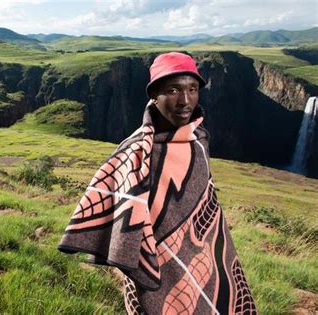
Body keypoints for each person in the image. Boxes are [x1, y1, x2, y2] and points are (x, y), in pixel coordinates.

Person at [58, 52, 257, 314]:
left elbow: (204, 202)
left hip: (203, 255)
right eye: (173, 90)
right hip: (152, 261)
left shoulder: (198, 139)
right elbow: (120, 214)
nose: (185, 100)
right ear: (154, 94)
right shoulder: (135, 152)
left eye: (192, 89)